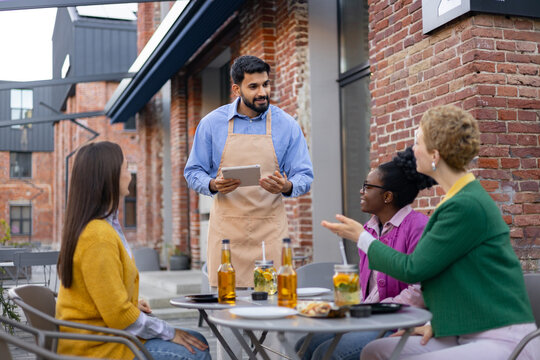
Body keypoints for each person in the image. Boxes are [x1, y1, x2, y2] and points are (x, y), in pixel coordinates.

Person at [322, 105, 539, 360]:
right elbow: (464, 277)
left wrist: (362, 237)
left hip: (502, 338)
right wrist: (436, 325)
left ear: (434, 155)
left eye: (417, 142)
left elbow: (413, 269)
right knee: (375, 351)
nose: (413, 150)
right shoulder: (456, 200)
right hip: (463, 330)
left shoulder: (466, 205)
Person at [56, 141, 210, 360]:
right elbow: (120, 316)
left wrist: (132, 304)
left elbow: (102, 294)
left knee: (197, 341)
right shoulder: (97, 236)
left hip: (107, 336)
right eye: (126, 168)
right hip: (98, 348)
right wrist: (170, 332)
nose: (130, 175)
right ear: (109, 177)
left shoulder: (101, 228)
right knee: (195, 352)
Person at [184, 55, 313, 287]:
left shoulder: (287, 125)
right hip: (227, 234)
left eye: (266, 84)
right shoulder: (212, 124)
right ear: (236, 88)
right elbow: (193, 172)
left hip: (270, 232)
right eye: (253, 86)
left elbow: (304, 175)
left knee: (275, 304)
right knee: (228, 309)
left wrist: (288, 186)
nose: (262, 92)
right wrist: (213, 184)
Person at [296, 147, 435, 360]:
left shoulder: (418, 226)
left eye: (367, 187)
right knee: (305, 344)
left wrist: (375, 311)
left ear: (387, 196)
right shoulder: (369, 229)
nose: (361, 191)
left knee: (326, 354)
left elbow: (420, 290)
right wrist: (356, 310)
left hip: (399, 321)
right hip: (369, 317)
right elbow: (368, 286)